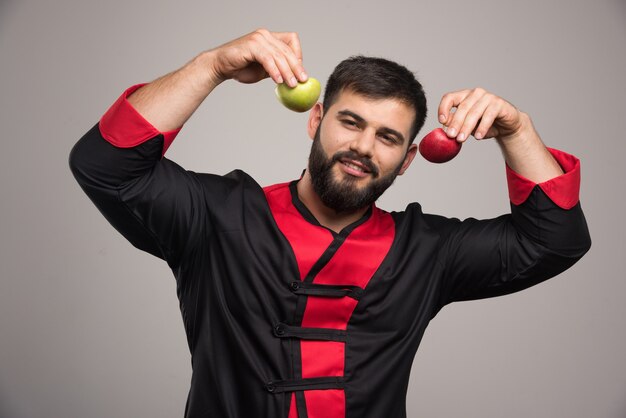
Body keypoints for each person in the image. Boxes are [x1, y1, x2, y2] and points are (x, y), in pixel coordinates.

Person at [69, 29, 591, 418]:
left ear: (407, 159)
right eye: (350, 121)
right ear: (316, 120)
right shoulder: (216, 214)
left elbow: (555, 240)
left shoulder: (428, 251)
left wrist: (516, 130)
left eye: (388, 138)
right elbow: (104, 164)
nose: (363, 148)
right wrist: (211, 67)